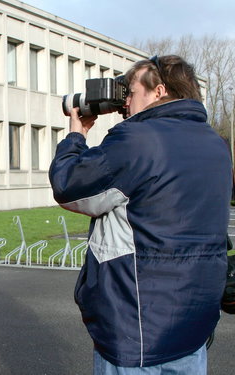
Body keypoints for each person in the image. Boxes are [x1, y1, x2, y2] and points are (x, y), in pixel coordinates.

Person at [49, 55, 232, 374]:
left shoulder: (138, 140)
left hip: (136, 331)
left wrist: (76, 134)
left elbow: (70, 188)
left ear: (159, 91)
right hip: (194, 327)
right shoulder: (216, 145)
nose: (124, 103)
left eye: (130, 92)